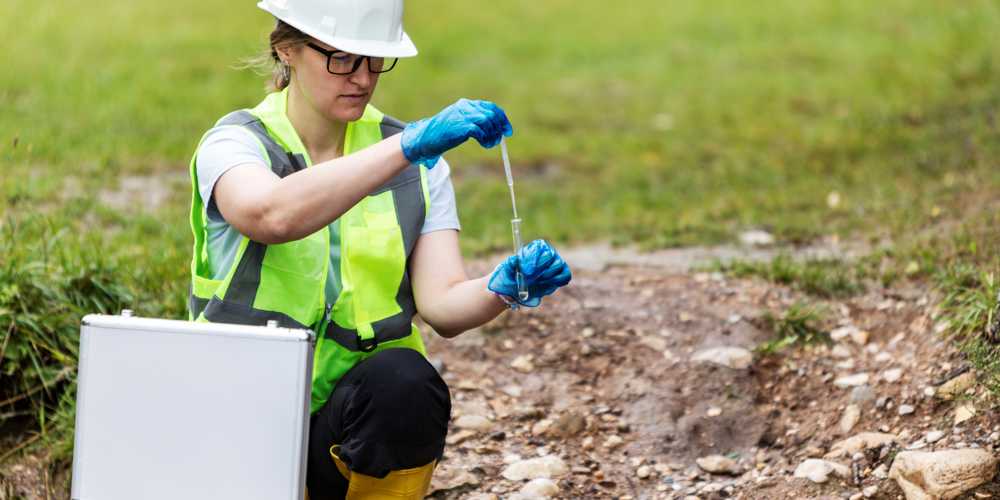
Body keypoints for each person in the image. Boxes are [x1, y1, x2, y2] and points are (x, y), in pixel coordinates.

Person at [185, 0, 573, 498]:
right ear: (286, 49)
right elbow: (269, 215)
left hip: (344, 426)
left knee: (406, 384)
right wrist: (406, 148)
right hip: (237, 417)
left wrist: (501, 287)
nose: (363, 77)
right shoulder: (236, 144)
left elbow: (443, 306)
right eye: (342, 58)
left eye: (374, 60)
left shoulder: (419, 163)